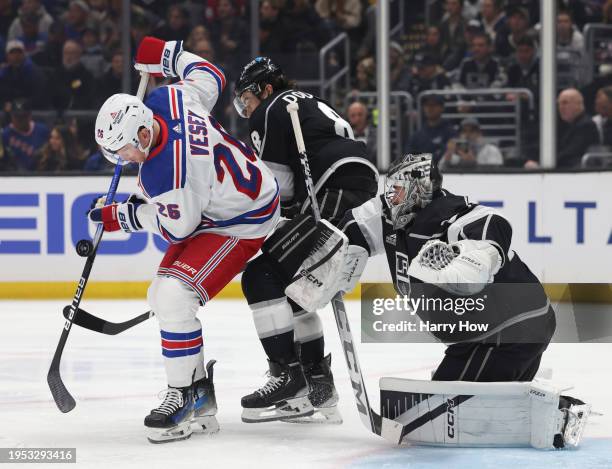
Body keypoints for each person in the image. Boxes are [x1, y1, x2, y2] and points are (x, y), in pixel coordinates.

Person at [285, 153, 588, 449]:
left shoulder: (451, 217)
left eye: (398, 188)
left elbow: (492, 229)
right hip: (488, 334)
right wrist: (326, 256)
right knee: (454, 412)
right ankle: (554, 411)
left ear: (419, 190)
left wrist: (467, 260)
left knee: (439, 420)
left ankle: (558, 415)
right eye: (390, 187)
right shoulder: (389, 216)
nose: (391, 195)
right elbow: (350, 229)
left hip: (507, 331)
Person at [88, 36, 280, 443]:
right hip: (219, 202)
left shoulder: (171, 175)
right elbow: (210, 75)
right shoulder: (169, 98)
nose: (121, 159)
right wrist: (166, 54)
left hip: (241, 218)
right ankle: (194, 394)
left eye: (122, 150)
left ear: (142, 134)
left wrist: (124, 215)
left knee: (174, 297)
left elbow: (178, 228)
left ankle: (188, 395)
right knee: (162, 296)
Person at [233, 56, 378, 423]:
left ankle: (288, 374)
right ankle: (318, 386)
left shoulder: (268, 111)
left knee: (261, 276)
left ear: (264, 89)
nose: (245, 106)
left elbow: (277, 188)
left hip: (332, 189)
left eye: (246, 97)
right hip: (360, 185)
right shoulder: (306, 102)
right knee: (296, 282)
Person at [1, 98, 49, 171]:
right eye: (16, 116)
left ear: (29, 115)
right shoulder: (5, 134)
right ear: (11, 116)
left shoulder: (42, 130)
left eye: (23, 116)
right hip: (15, 176)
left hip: (40, 174)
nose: (19, 120)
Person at [405, 94, 456, 162]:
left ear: (442, 108)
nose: (429, 108)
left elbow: (450, 155)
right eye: (426, 105)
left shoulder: (450, 132)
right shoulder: (417, 135)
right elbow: (408, 156)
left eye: (433, 105)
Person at [347, 100, 376, 165]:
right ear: (348, 117)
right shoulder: (344, 137)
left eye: (360, 114)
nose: (357, 118)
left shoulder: (377, 135)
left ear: (366, 115)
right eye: (353, 115)